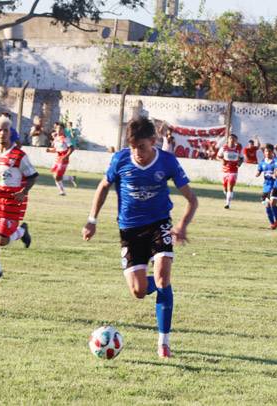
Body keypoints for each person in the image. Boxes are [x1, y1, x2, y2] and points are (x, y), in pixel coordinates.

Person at [82, 117, 198, 359]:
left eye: (142, 147)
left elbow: (192, 199)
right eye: (133, 147)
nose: (138, 153)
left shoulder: (167, 162)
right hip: (130, 230)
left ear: (153, 142)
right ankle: (159, 284)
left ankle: (163, 342)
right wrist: (92, 221)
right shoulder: (120, 159)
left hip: (160, 225)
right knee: (138, 290)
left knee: (163, 279)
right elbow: (103, 187)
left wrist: (182, 226)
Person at [0, 115, 37, 278]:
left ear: (10, 132)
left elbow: (33, 176)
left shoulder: (19, 156)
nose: (2, 133)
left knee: (1, 240)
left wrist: (24, 192)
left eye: (5, 130)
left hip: (11, 202)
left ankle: (22, 232)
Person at [255, 144, 277, 229]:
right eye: (266, 151)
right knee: (267, 205)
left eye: (269, 151)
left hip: (275, 185)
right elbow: (259, 171)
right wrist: (257, 174)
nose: (267, 153)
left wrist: (276, 175)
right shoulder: (262, 162)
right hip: (266, 185)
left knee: (271, 202)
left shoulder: (276, 162)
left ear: (272, 152)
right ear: (264, 152)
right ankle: (273, 222)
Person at [46, 122, 76, 194]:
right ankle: (70, 178)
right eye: (57, 129)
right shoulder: (56, 139)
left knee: (57, 176)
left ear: (63, 130)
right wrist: (49, 150)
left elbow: (72, 148)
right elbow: (56, 149)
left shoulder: (65, 138)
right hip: (57, 158)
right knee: (55, 175)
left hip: (63, 159)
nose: (58, 130)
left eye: (60, 129)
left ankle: (62, 191)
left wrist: (66, 156)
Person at [217, 134, 243, 209]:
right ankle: (228, 195)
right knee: (225, 188)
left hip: (233, 171)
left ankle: (227, 204)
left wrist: (239, 163)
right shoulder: (224, 148)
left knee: (230, 186)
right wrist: (222, 160)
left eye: (234, 139)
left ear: (236, 141)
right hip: (225, 171)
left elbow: (241, 158)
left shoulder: (238, 149)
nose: (232, 140)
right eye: (230, 138)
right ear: (228, 140)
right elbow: (218, 156)